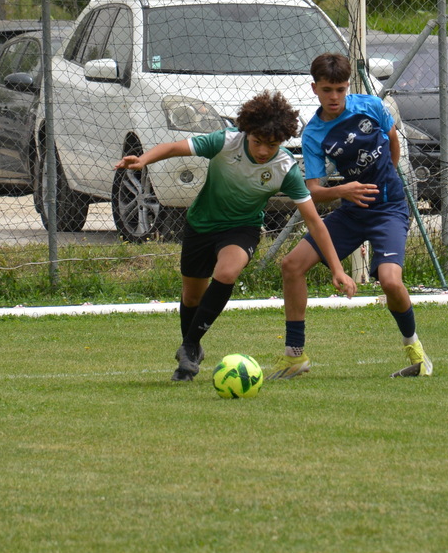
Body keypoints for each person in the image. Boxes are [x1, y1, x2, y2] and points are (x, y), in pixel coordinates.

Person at [115, 90, 356, 381]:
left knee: (227, 272)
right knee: (191, 296)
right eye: (257, 142)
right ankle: (192, 350)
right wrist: (143, 160)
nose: (264, 151)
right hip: (200, 224)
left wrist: (337, 269)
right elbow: (173, 147)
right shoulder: (226, 142)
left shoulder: (285, 169)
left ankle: (188, 348)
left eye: (272, 144)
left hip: (242, 228)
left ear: (282, 141)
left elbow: (315, 223)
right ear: (246, 133)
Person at [273, 52, 432, 379]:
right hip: (351, 211)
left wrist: (387, 179)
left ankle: (416, 352)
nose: (334, 97)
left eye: (340, 89)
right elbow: (313, 190)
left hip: (389, 208)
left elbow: (392, 140)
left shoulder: (371, 106)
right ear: (315, 88)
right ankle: (294, 356)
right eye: (327, 90)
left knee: (390, 281)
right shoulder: (314, 133)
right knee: (291, 265)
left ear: (348, 87)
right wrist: (342, 191)